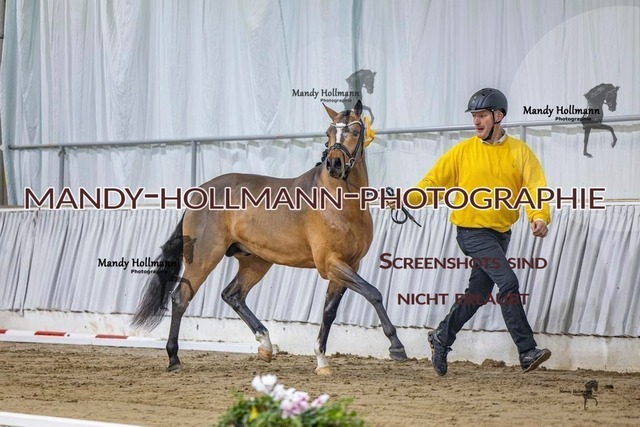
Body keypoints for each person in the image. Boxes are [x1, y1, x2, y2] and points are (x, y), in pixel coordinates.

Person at [406, 88, 552, 375]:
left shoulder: (520, 152)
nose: (476, 121)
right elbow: (433, 182)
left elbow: (536, 187)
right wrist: (407, 198)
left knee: (477, 295)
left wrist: (539, 216)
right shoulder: (462, 151)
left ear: (499, 116)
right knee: (508, 282)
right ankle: (526, 350)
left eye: (482, 115)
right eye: (474, 116)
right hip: (472, 232)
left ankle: (441, 336)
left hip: (500, 234)